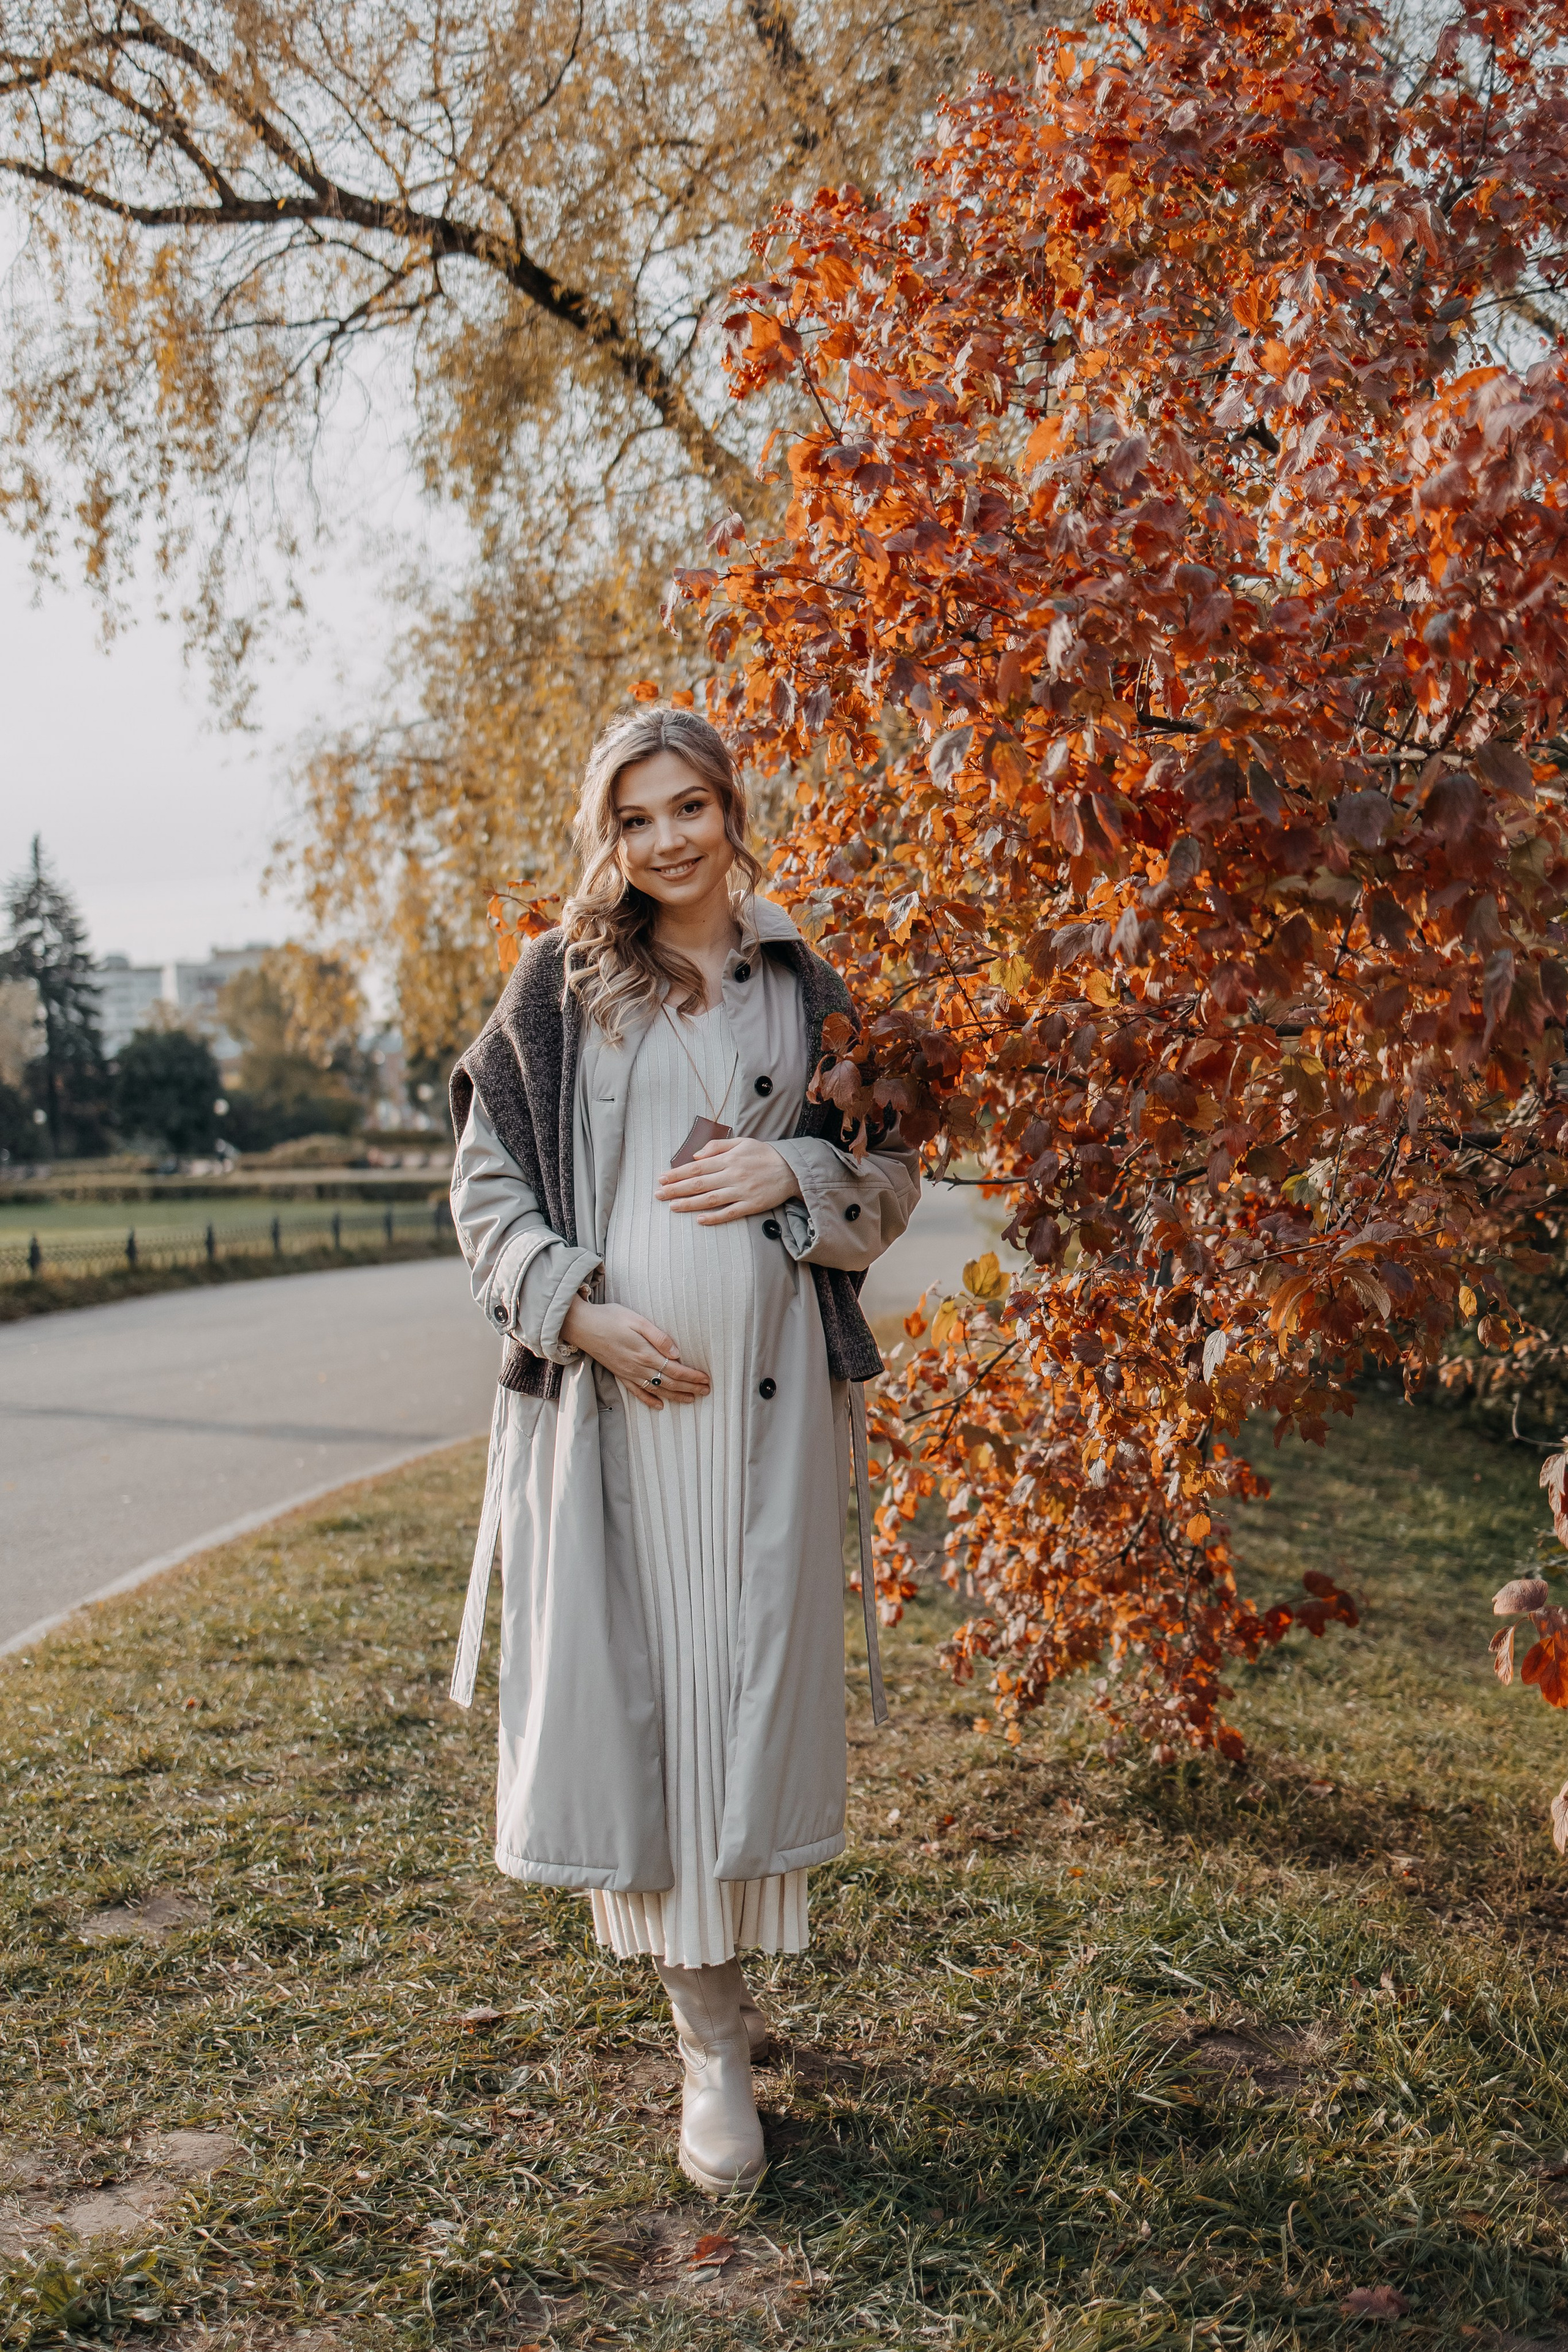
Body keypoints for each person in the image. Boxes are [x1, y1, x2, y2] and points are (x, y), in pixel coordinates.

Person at [446, 704, 920, 2194]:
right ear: (610, 833)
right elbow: (480, 1189)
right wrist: (583, 1318)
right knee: (647, 1706)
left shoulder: (810, 986)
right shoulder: (559, 986)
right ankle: (708, 2045)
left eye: (686, 809)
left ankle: (728, 2009)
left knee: (738, 1693)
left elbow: (895, 1171)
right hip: (616, 1415)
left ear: (730, 806)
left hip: (767, 1409)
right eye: (632, 818)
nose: (662, 842)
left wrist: (800, 1165)